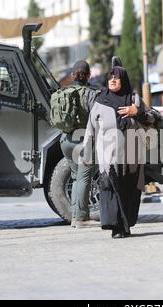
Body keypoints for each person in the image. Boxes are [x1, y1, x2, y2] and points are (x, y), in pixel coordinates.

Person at [82, 66, 156, 238]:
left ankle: (126, 225)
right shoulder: (100, 102)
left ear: (124, 80)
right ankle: (115, 227)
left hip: (132, 157)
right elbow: (90, 130)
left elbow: (153, 118)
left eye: (117, 78)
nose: (113, 80)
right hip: (109, 158)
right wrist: (86, 152)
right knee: (110, 189)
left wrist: (137, 113)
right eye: (110, 78)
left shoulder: (134, 99)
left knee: (129, 192)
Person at [59, 61, 98, 228]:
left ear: (72, 75)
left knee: (76, 178)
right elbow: (97, 118)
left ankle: (75, 217)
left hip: (65, 141)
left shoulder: (64, 92)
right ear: (88, 75)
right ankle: (81, 218)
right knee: (84, 178)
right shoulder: (90, 94)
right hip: (83, 140)